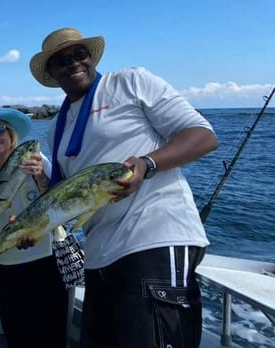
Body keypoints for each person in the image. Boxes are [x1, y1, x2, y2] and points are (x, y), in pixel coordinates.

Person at [28, 27, 218, 347]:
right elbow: (63, 199)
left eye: (79, 54)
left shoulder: (129, 82)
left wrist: (147, 163)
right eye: (61, 60)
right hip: (99, 258)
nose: (73, 63)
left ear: (91, 58)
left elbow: (203, 136)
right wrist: (31, 227)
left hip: (153, 239)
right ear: (51, 72)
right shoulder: (56, 129)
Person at [0, 107, 69, 347]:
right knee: (18, 337)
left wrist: (41, 176)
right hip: (7, 265)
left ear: (10, 134)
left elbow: (59, 203)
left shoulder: (37, 163)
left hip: (47, 260)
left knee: (53, 336)